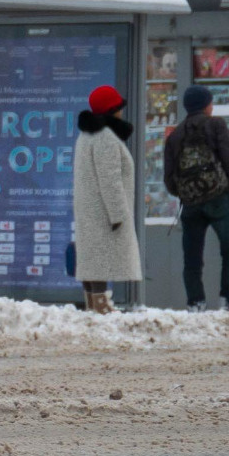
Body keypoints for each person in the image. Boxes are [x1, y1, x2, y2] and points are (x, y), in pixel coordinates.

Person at [161, 82, 229, 310]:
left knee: (192, 259)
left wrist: (185, 193)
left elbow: (169, 177)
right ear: (207, 105)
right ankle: (228, 301)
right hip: (220, 200)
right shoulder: (215, 125)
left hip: (191, 205)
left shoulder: (175, 135)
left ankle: (195, 302)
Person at [70, 82, 142, 313]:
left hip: (90, 207)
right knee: (98, 257)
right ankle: (100, 306)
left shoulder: (87, 135)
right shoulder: (105, 138)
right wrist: (118, 214)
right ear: (112, 110)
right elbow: (110, 179)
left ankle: (94, 303)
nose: (122, 110)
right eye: (118, 106)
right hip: (103, 210)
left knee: (91, 257)